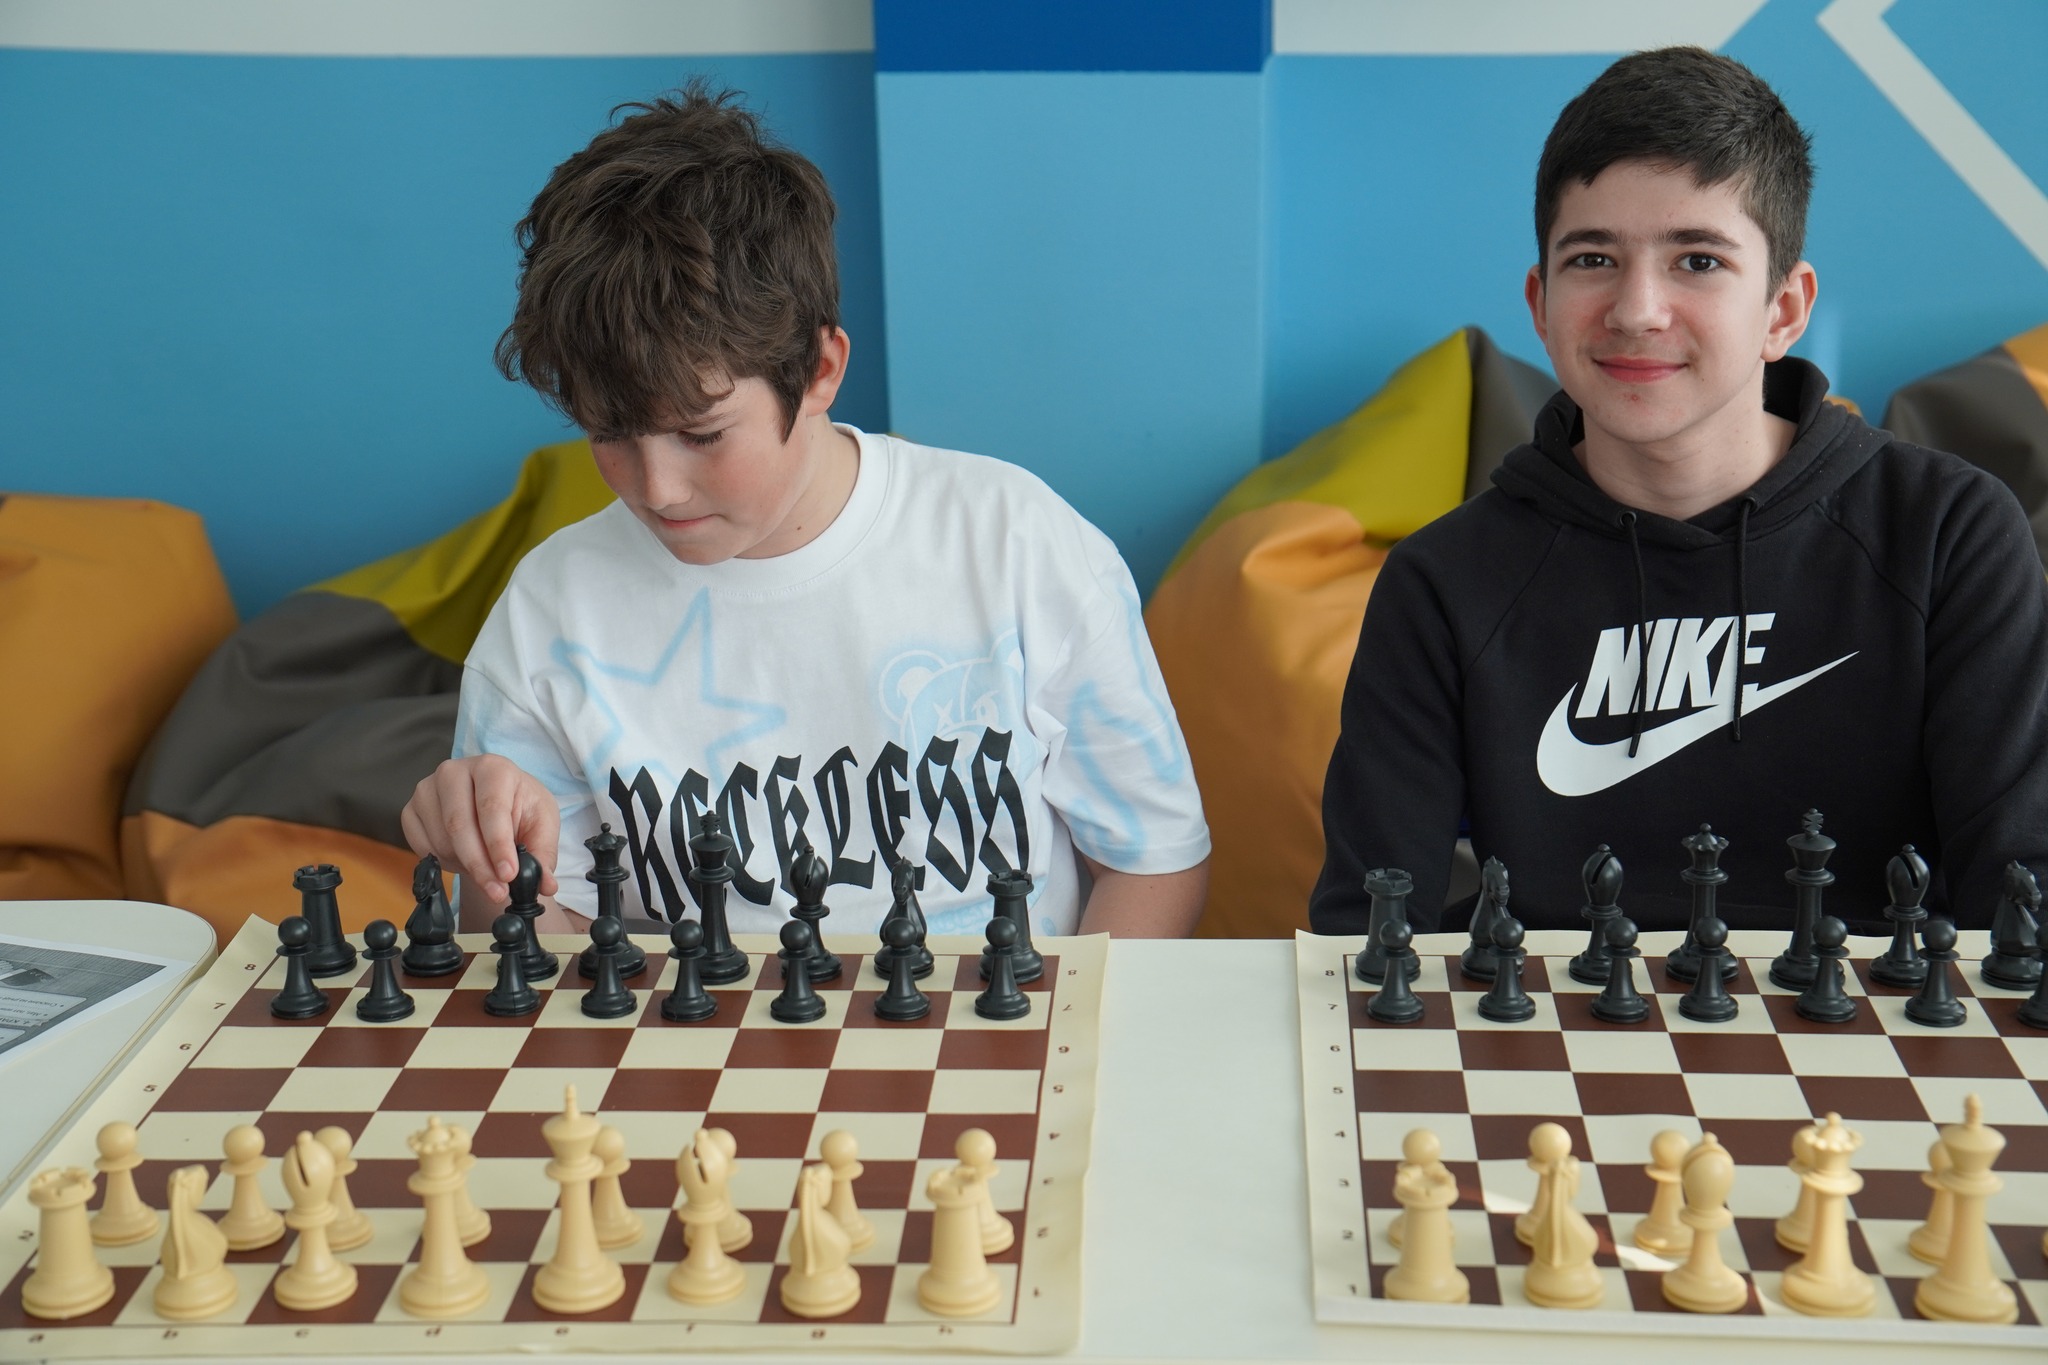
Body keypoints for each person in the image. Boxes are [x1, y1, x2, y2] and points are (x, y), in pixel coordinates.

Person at [402, 85, 1209, 938]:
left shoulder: (1016, 544)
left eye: (702, 433)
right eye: (610, 433)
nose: (658, 487)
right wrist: (493, 864)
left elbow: (1153, 860)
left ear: (820, 370)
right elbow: (526, 949)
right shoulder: (548, 614)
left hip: (1001, 1021)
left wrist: (1066, 1019)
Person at [1311, 47, 2048, 936]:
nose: (1636, 310)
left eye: (1697, 260)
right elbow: (1366, 930)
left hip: (1873, 1027)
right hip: (1546, 1025)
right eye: (1593, 258)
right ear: (1540, 304)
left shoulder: (1948, 536)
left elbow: (2027, 902)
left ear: (1784, 309)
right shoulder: (1442, 582)